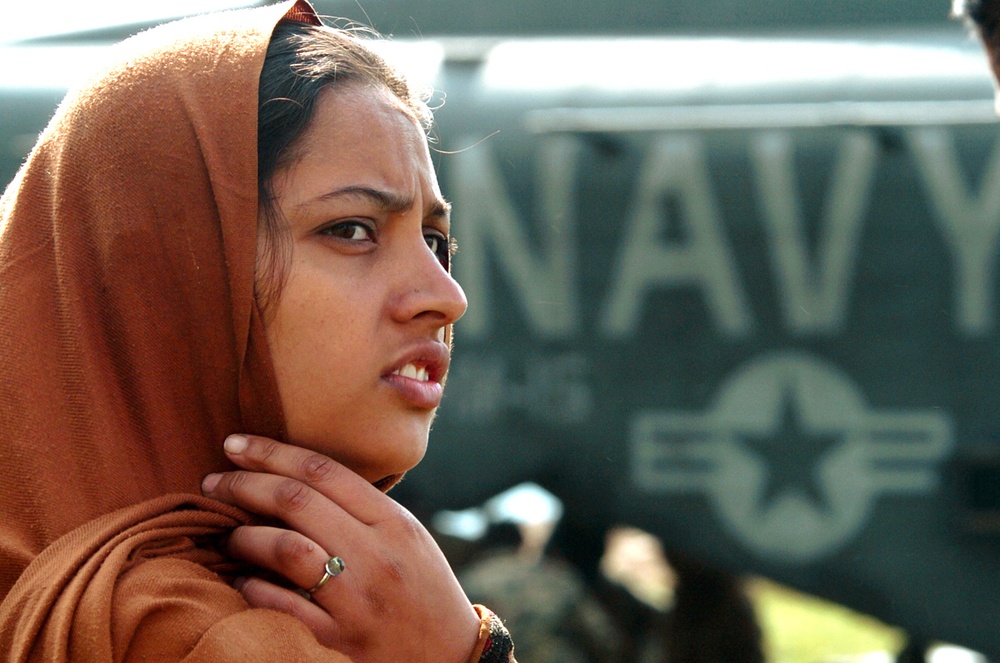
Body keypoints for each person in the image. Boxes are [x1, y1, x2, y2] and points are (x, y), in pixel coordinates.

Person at [0, 1, 515, 660]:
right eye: (352, 229)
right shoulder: (201, 636)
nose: (447, 298)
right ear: (173, 274)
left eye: (437, 241)